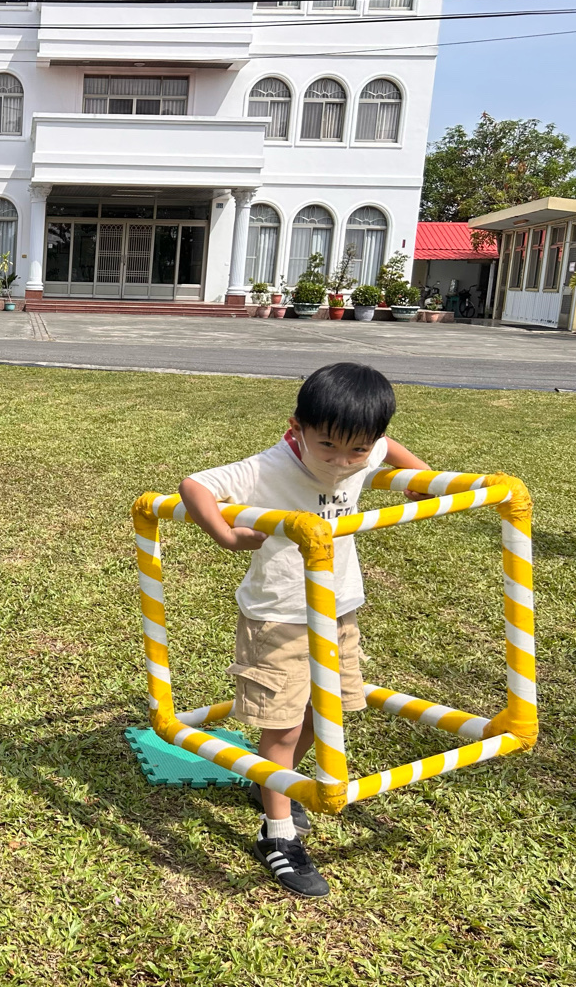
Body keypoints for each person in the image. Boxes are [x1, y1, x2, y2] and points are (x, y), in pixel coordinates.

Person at [179, 362, 431, 898]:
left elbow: (391, 450)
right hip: (279, 617)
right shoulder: (270, 465)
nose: (341, 462)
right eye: (328, 447)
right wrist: (226, 535)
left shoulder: (367, 450)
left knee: (326, 711)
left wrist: (421, 478)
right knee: (284, 726)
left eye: (356, 450)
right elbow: (194, 485)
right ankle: (277, 833)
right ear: (297, 428)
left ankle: (273, 781)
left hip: (338, 611)